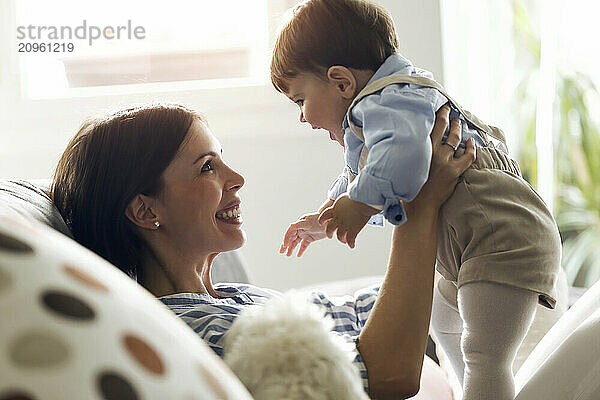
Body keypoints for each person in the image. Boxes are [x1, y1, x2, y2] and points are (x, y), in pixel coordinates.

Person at [51, 102, 474, 399]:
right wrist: (417, 206)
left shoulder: (232, 299)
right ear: (145, 210)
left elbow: (359, 324)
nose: (237, 178)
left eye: (222, 160)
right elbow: (390, 376)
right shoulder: (192, 335)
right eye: (207, 168)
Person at [270, 1, 561, 398]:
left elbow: (403, 159)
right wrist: (328, 218)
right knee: (444, 328)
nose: (302, 117)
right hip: (470, 244)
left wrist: (356, 206)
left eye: (299, 100)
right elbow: (364, 177)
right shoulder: (380, 115)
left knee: (484, 353)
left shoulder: (392, 101)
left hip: (505, 240)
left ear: (341, 82)